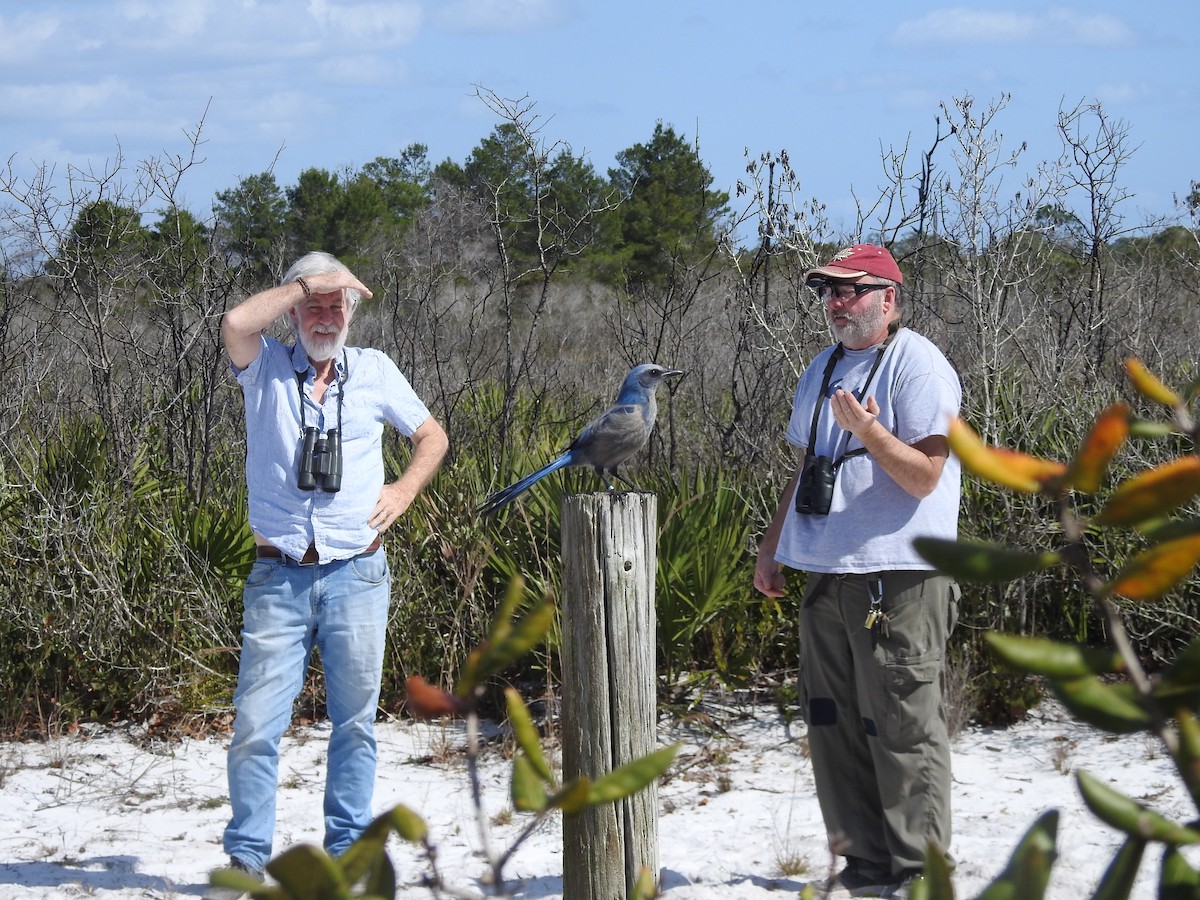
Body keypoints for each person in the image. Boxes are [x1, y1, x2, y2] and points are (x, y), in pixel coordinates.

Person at [207, 251, 448, 898]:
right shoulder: (265, 370)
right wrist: (306, 283)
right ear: (292, 308)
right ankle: (246, 859)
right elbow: (233, 322)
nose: (324, 315)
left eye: (336, 305)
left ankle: (346, 857)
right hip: (278, 576)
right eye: (312, 304)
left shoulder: (373, 371)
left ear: (352, 313)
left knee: (355, 723)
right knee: (257, 724)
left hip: (357, 576)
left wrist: (403, 491)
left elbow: (433, 437)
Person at [753, 244, 961, 900]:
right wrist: (773, 545)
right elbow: (807, 464)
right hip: (826, 570)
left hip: (898, 576)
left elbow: (926, 476)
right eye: (828, 292)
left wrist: (871, 435)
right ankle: (867, 873)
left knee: (902, 727)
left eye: (852, 291)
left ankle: (919, 877)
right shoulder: (822, 366)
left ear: (889, 299)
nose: (837, 304)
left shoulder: (918, 363)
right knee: (833, 724)